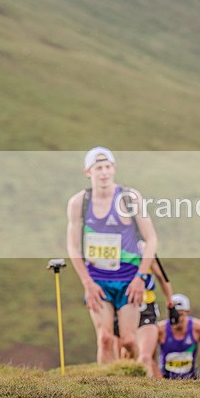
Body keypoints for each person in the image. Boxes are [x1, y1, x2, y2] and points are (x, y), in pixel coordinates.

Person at [66, 147, 157, 365]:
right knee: (105, 338)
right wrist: (87, 282)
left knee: (127, 340)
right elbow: (73, 247)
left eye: (107, 167)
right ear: (88, 172)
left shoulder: (129, 198)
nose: (104, 173)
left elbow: (151, 239)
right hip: (97, 280)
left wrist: (140, 279)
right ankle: (104, 391)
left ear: (114, 169)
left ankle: (133, 378)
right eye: (98, 168)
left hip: (129, 280)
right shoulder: (79, 202)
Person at [114, 259, 179, 377]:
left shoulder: (145, 250)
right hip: (122, 306)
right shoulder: (117, 247)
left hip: (146, 308)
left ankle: (145, 391)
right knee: (125, 353)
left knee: (145, 357)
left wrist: (171, 305)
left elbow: (162, 277)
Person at [156, 294, 200, 379]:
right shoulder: (159, 330)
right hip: (165, 377)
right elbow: (149, 356)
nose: (176, 318)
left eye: (180, 314)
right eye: (173, 314)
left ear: (187, 312)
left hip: (190, 377)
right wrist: (159, 379)